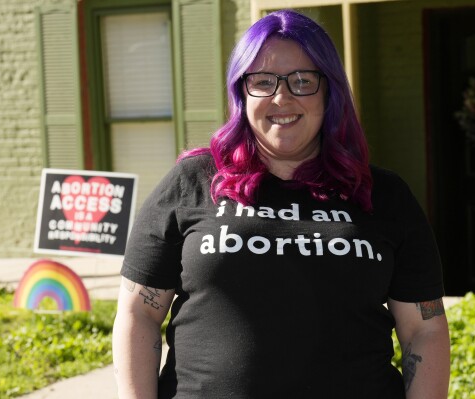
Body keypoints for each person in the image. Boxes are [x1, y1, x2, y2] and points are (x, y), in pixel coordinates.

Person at [112, 9, 450, 399]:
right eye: (263, 81)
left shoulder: (384, 195)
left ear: (330, 91)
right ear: (241, 91)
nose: (282, 97)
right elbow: (139, 313)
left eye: (303, 81)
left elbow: (424, 329)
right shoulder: (193, 182)